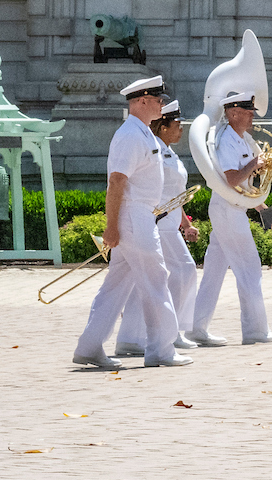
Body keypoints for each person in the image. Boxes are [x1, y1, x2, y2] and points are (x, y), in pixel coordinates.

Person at [72, 75, 189, 370]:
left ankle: (88, 347)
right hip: (135, 216)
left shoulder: (143, 132)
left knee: (117, 286)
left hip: (140, 215)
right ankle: (162, 349)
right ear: (142, 101)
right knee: (156, 281)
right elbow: (116, 182)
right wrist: (111, 227)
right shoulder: (131, 135)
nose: (162, 105)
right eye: (158, 100)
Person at [187, 88, 272, 348]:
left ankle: (196, 329)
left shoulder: (242, 139)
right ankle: (255, 330)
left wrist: (266, 211)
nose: (252, 116)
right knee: (249, 267)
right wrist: (255, 164)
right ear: (233, 113)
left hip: (231, 208)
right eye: (248, 111)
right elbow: (231, 179)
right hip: (228, 209)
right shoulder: (227, 139)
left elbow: (247, 188)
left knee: (214, 272)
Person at [119, 100, 198, 359]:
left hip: (168, 223)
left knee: (141, 281)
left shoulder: (168, 153)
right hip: (156, 223)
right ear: (163, 127)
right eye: (177, 124)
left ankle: (130, 338)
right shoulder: (154, 150)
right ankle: (168, 334)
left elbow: (174, 194)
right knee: (182, 271)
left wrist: (186, 223)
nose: (181, 130)